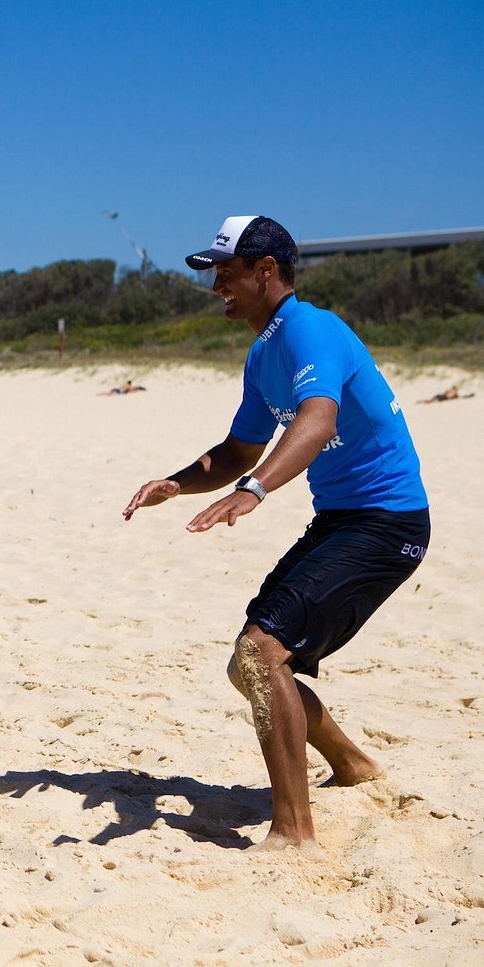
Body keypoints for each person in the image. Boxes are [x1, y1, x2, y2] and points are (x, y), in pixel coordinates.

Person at [123, 216, 429, 850]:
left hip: (387, 520)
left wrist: (254, 491)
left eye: (225, 274)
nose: (217, 289)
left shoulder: (311, 329)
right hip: (344, 520)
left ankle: (294, 833)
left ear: (266, 271)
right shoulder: (264, 353)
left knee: (261, 653)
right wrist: (177, 483)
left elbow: (317, 422)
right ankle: (351, 764)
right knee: (253, 663)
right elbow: (238, 449)